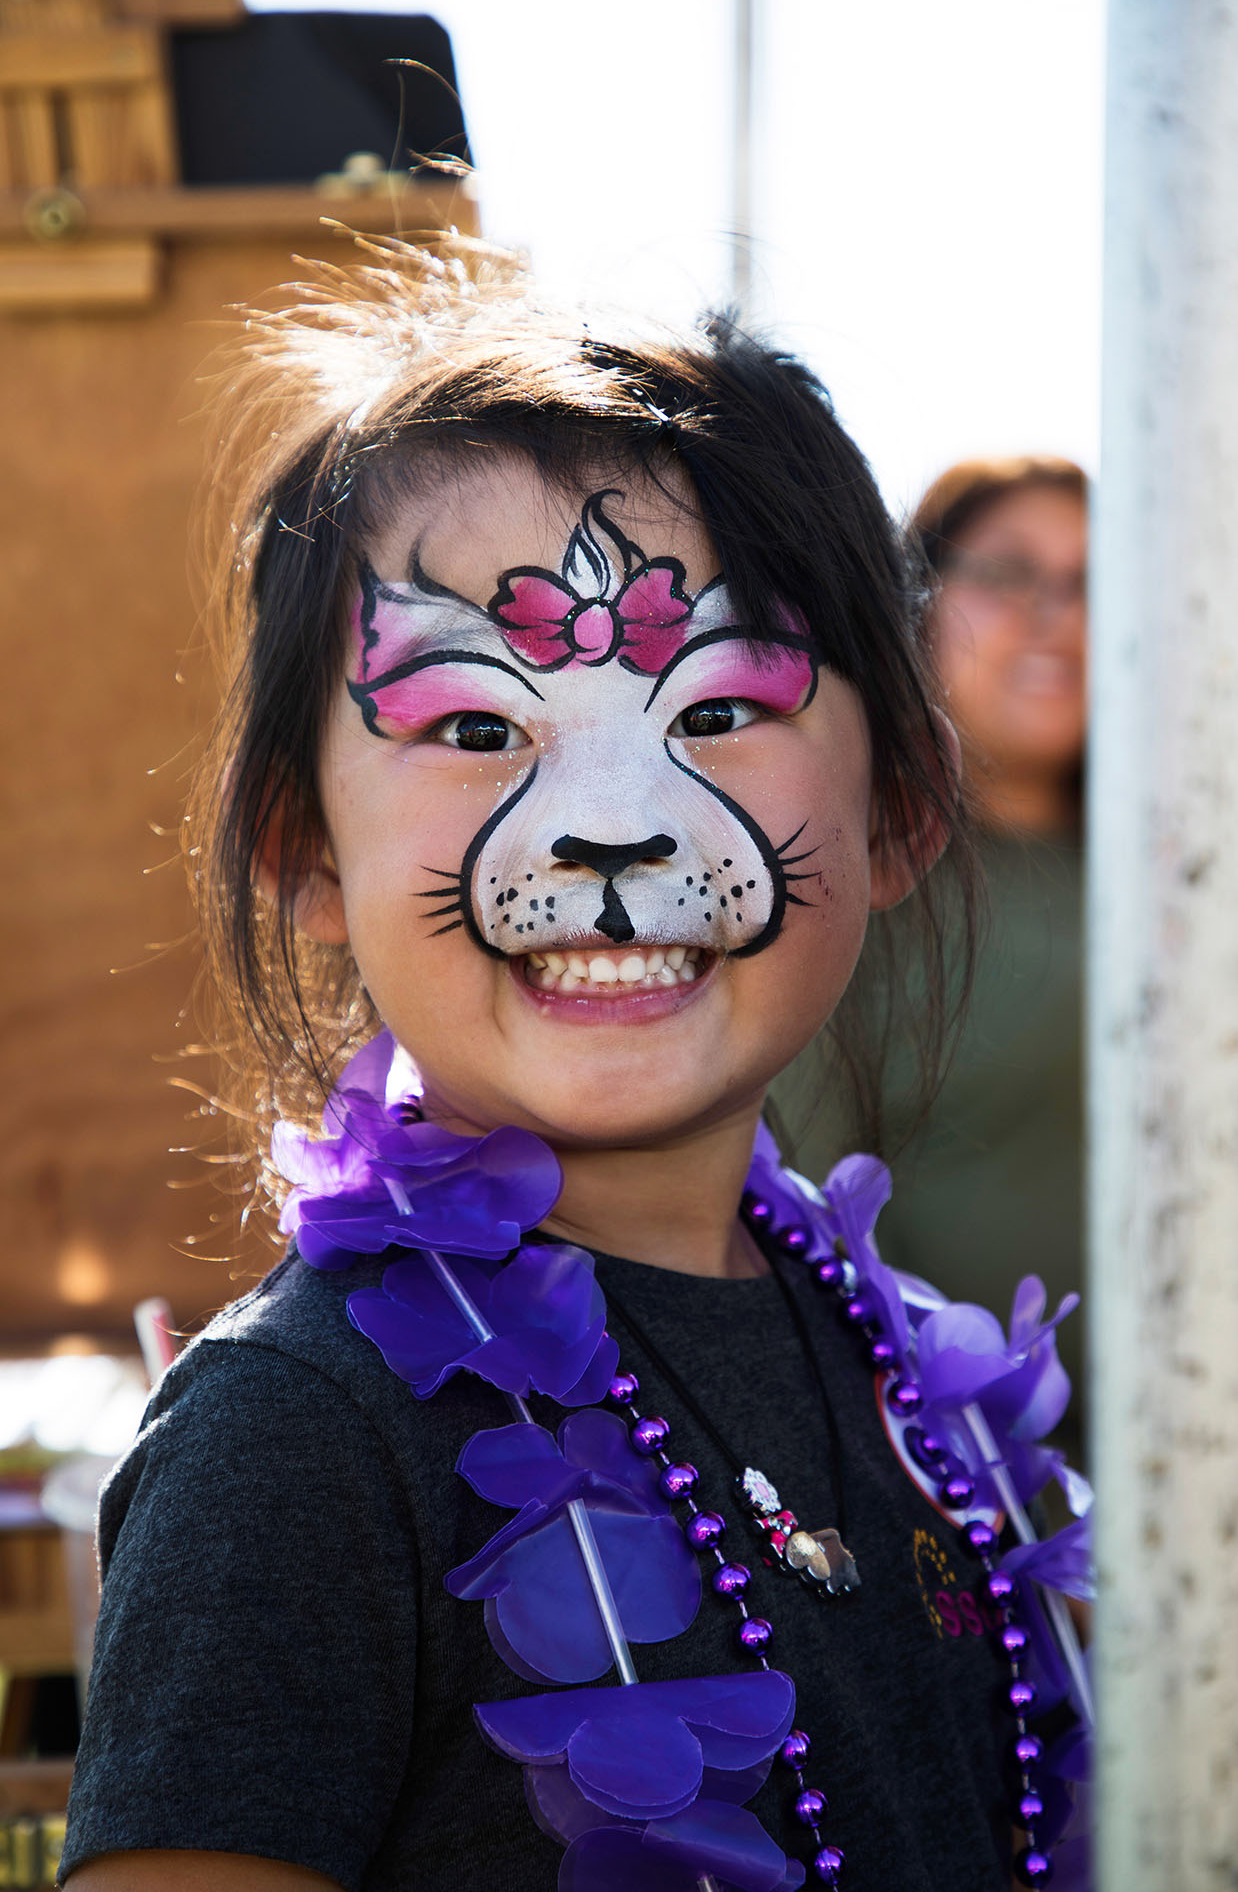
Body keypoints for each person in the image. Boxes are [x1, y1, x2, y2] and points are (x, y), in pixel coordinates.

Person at [60, 247, 1090, 1892]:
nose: (614, 826)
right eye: (478, 730)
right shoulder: (298, 1443)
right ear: (304, 850)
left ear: (899, 808)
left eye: (719, 710)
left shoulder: (921, 1399)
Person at [771, 458, 1088, 1455]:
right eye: (1008, 573)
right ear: (916, 603)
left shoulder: (1205, 884)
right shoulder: (850, 873)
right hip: (949, 1465)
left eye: (1095, 584)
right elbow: (809, 1207)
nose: (1057, 617)